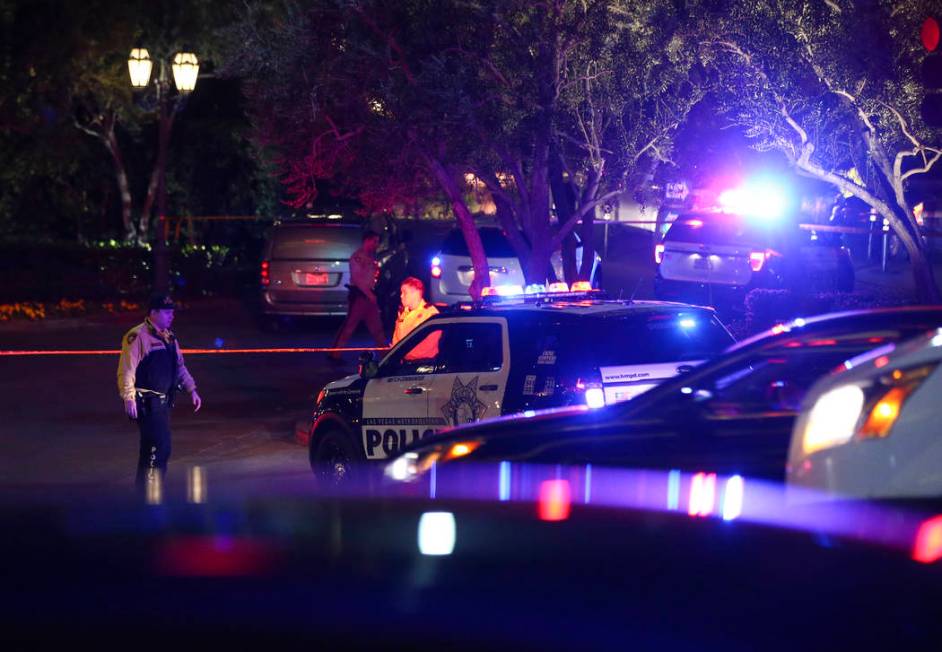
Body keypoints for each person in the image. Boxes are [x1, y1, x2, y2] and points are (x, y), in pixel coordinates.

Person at [117, 295, 201, 492]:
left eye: (172, 312)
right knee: (157, 448)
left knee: (157, 449)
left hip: (163, 403)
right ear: (153, 312)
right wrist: (128, 396)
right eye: (166, 312)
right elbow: (127, 369)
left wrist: (192, 389)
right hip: (147, 402)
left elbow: (179, 367)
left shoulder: (169, 336)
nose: (171, 316)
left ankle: (147, 494)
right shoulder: (137, 336)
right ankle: (149, 495)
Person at [329, 231, 386, 362]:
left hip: (370, 297)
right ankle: (334, 354)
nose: (376, 245)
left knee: (377, 328)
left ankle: (385, 355)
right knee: (349, 327)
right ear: (367, 240)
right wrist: (369, 294)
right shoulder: (357, 257)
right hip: (360, 297)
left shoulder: (371, 257)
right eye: (374, 241)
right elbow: (357, 279)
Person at [392, 276, 439, 345]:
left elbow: (428, 345)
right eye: (401, 293)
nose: (401, 296)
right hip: (401, 354)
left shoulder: (429, 314)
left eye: (405, 293)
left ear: (415, 293)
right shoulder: (404, 312)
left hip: (419, 356)